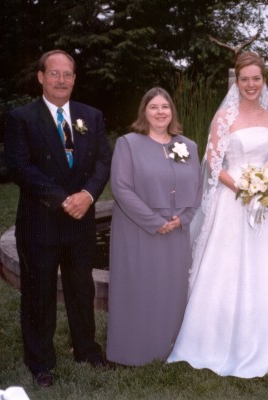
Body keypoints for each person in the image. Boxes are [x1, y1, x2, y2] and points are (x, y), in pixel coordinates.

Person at [167, 52, 268, 378]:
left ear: (263, 81)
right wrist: (244, 190)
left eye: (256, 79)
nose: (251, 84)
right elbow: (214, 162)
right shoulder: (224, 116)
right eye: (245, 79)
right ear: (237, 82)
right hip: (232, 199)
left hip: (265, 204)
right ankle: (215, 339)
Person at [4, 50, 111, 387]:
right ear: (41, 77)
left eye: (67, 74)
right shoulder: (22, 118)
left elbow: (103, 163)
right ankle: (40, 362)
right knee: (39, 292)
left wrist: (89, 195)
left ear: (75, 78)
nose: (61, 80)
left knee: (81, 288)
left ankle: (87, 351)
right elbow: (20, 167)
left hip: (82, 220)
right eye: (54, 73)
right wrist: (63, 199)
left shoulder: (90, 116)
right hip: (41, 222)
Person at [106, 87, 201, 366]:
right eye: (154, 107)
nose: (161, 112)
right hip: (139, 228)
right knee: (139, 288)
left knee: (171, 290)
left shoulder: (188, 146)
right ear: (144, 112)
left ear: (172, 112)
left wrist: (182, 219)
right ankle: (133, 351)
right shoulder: (128, 144)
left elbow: (197, 188)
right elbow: (121, 188)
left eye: (165, 107)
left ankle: (169, 348)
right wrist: (153, 221)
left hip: (176, 230)